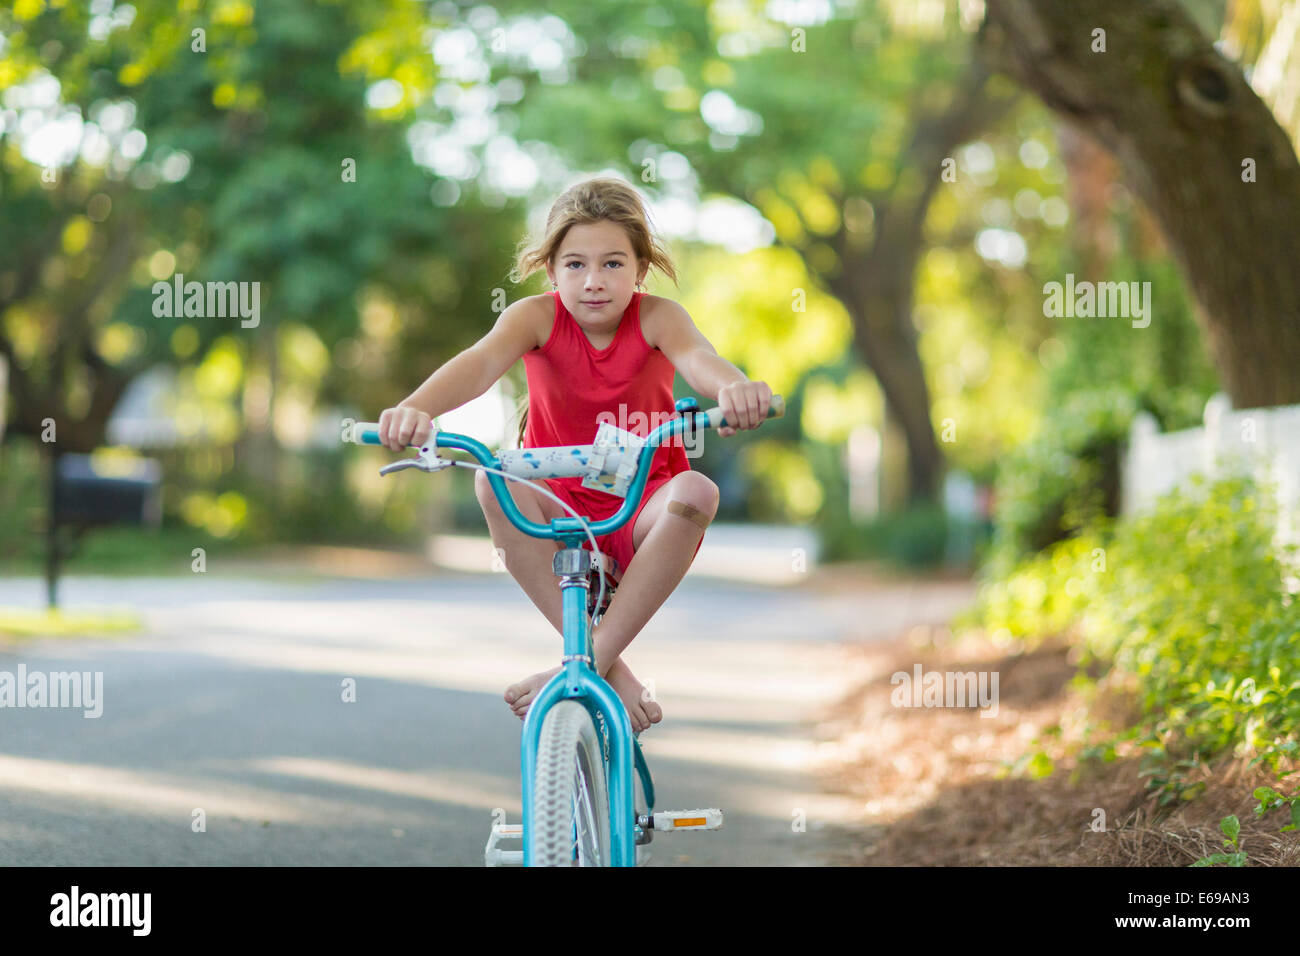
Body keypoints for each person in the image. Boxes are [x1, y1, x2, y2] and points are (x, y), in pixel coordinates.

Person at [378, 177, 772, 732]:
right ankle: (607, 669)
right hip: (555, 507)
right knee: (492, 478)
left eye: (613, 264)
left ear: (640, 269)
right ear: (551, 271)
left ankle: (578, 665)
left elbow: (699, 358)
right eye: (574, 265)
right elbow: (480, 363)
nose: (593, 282)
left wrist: (734, 387)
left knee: (697, 491)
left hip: (641, 508)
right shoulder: (534, 319)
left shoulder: (659, 318)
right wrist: (415, 408)